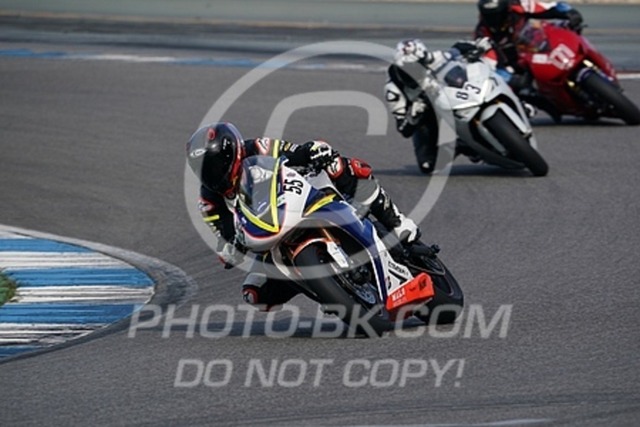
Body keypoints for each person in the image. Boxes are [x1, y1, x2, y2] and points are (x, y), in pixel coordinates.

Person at [186, 122, 420, 311]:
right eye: (204, 170)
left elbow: (294, 151)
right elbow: (224, 238)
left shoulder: (257, 148)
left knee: (341, 166)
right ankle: (327, 292)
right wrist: (230, 251)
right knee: (255, 294)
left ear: (232, 153)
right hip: (268, 239)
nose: (213, 174)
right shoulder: (209, 203)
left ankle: (397, 223)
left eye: (216, 165)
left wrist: (313, 151)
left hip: (301, 197)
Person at [384, 38, 492, 174]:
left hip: (455, 98)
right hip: (428, 117)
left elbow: (456, 49)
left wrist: (476, 46)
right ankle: (462, 145)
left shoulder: (432, 59)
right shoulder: (394, 90)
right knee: (427, 165)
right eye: (406, 69)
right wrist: (414, 117)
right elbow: (403, 129)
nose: (412, 73)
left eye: (416, 67)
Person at [474, 0, 583, 115]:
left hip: (539, 46)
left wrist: (570, 12)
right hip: (518, 65)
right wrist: (510, 78)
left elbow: (549, 7)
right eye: (489, 16)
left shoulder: (519, 6)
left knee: (565, 33)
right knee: (519, 90)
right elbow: (489, 65)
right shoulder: (482, 34)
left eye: (498, 14)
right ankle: (540, 106)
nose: (495, 19)